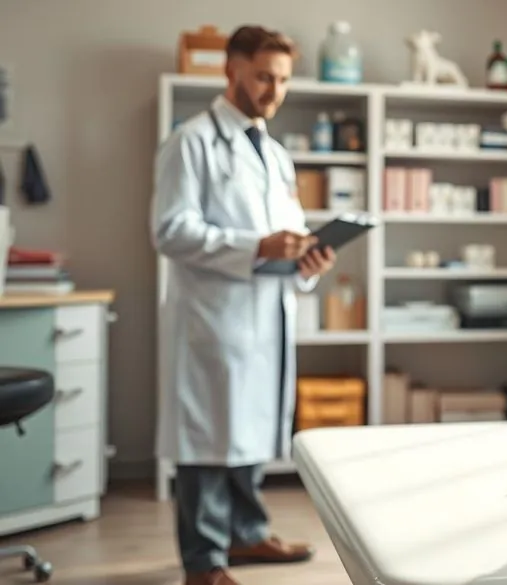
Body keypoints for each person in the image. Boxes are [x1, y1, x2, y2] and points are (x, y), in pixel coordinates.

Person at [150, 25, 335, 585]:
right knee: (207, 439)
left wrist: (308, 260)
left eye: (282, 80)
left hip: (264, 312)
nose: (273, 91)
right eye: (262, 77)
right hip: (212, 316)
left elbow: (290, 232)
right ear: (231, 69)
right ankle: (204, 563)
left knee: (250, 428)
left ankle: (248, 536)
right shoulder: (191, 141)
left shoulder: (276, 155)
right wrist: (255, 247)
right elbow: (170, 230)